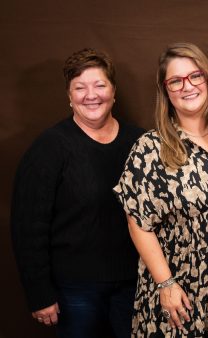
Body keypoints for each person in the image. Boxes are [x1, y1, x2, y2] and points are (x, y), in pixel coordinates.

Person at [113, 42, 208, 337]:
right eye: (176, 81)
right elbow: (137, 222)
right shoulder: (150, 149)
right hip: (182, 290)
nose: (187, 86)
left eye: (195, 76)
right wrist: (166, 284)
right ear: (166, 90)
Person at [11, 48, 144, 338]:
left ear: (113, 91)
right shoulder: (49, 148)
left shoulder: (141, 143)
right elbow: (27, 227)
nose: (91, 95)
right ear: (69, 96)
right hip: (75, 290)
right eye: (80, 88)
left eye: (99, 85)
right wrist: (39, 293)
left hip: (134, 285)